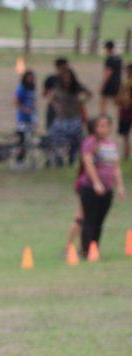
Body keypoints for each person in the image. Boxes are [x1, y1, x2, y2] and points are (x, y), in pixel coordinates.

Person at [75, 115, 125, 255]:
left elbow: (116, 167)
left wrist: (119, 186)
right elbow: (88, 163)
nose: (104, 128)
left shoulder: (112, 144)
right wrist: (96, 182)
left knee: (100, 220)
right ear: (95, 128)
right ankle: (85, 250)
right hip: (90, 187)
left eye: (107, 125)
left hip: (108, 188)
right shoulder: (90, 142)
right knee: (89, 219)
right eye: (101, 125)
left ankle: (94, 248)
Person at [48, 69, 91, 166]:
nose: (67, 80)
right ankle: (59, 161)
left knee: (76, 141)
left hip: (74, 119)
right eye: (65, 78)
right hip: (61, 119)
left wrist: (81, 103)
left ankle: (72, 159)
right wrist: (56, 106)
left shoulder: (77, 87)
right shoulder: (58, 88)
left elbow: (89, 94)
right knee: (57, 141)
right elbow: (51, 97)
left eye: (69, 78)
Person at [14, 70, 37, 166]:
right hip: (22, 119)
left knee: (30, 141)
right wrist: (25, 109)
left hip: (31, 118)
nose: (31, 79)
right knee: (22, 140)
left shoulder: (32, 88)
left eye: (32, 77)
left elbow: (33, 101)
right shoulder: (21, 88)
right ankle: (19, 161)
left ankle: (30, 161)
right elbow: (16, 102)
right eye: (29, 77)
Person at [43, 58, 70, 131]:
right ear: (59, 66)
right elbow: (45, 93)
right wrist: (52, 95)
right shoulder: (50, 79)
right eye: (65, 67)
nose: (66, 68)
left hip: (66, 106)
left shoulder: (68, 79)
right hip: (53, 106)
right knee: (51, 128)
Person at [99, 40, 123, 117]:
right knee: (116, 100)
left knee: (103, 99)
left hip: (110, 82)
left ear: (108, 48)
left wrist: (103, 84)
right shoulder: (118, 58)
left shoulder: (109, 59)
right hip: (117, 81)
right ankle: (119, 115)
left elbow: (108, 72)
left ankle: (103, 115)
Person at [117, 64, 132, 159]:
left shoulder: (126, 83)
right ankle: (126, 153)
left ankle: (126, 154)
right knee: (125, 134)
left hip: (126, 110)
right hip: (125, 111)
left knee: (125, 134)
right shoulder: (125, 82)